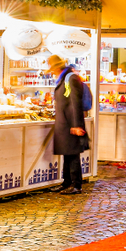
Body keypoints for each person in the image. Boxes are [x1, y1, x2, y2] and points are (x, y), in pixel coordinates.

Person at [50, 56, 89, 195]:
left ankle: (77, 185)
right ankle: (67, 182)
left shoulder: (70, 78)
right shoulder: (64, 78)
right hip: (64, 122)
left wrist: (76, 125)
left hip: (70, 123)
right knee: (67, 153)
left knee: (72, 154)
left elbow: (74, 102)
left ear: (56, 67)